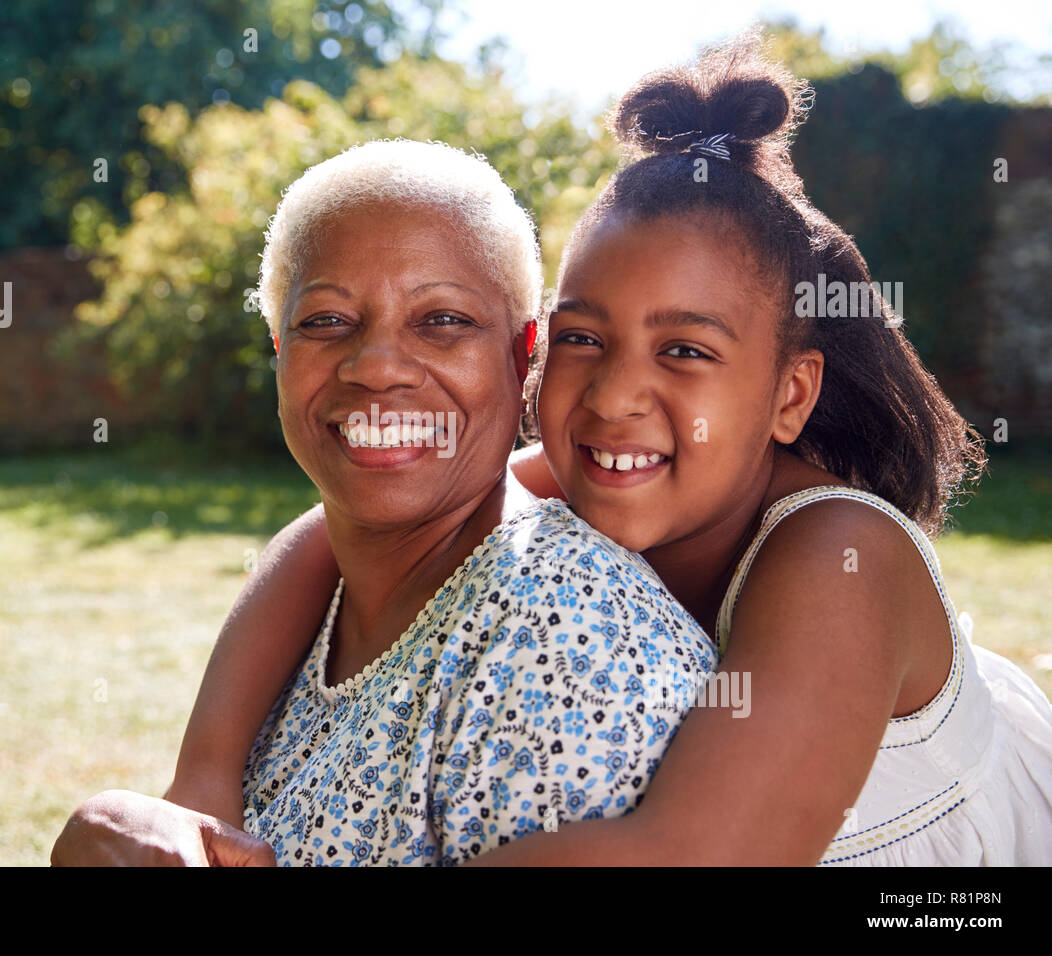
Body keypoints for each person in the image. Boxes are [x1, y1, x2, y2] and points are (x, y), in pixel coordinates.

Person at [126, 35, 1052, 866]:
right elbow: (320, 538)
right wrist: (204, 779)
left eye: (685, 351)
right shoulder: (592, 470)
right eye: (583, 338)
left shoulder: (840, 557)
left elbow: (685, 856)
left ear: (789, 394)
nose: (613, 397)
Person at [51, 139, 717, 866]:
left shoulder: (563, 634)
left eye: (443, 321)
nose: (375, 368)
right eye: (327, 322)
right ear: (279, 347)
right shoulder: (320, 595)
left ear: (524, 354)